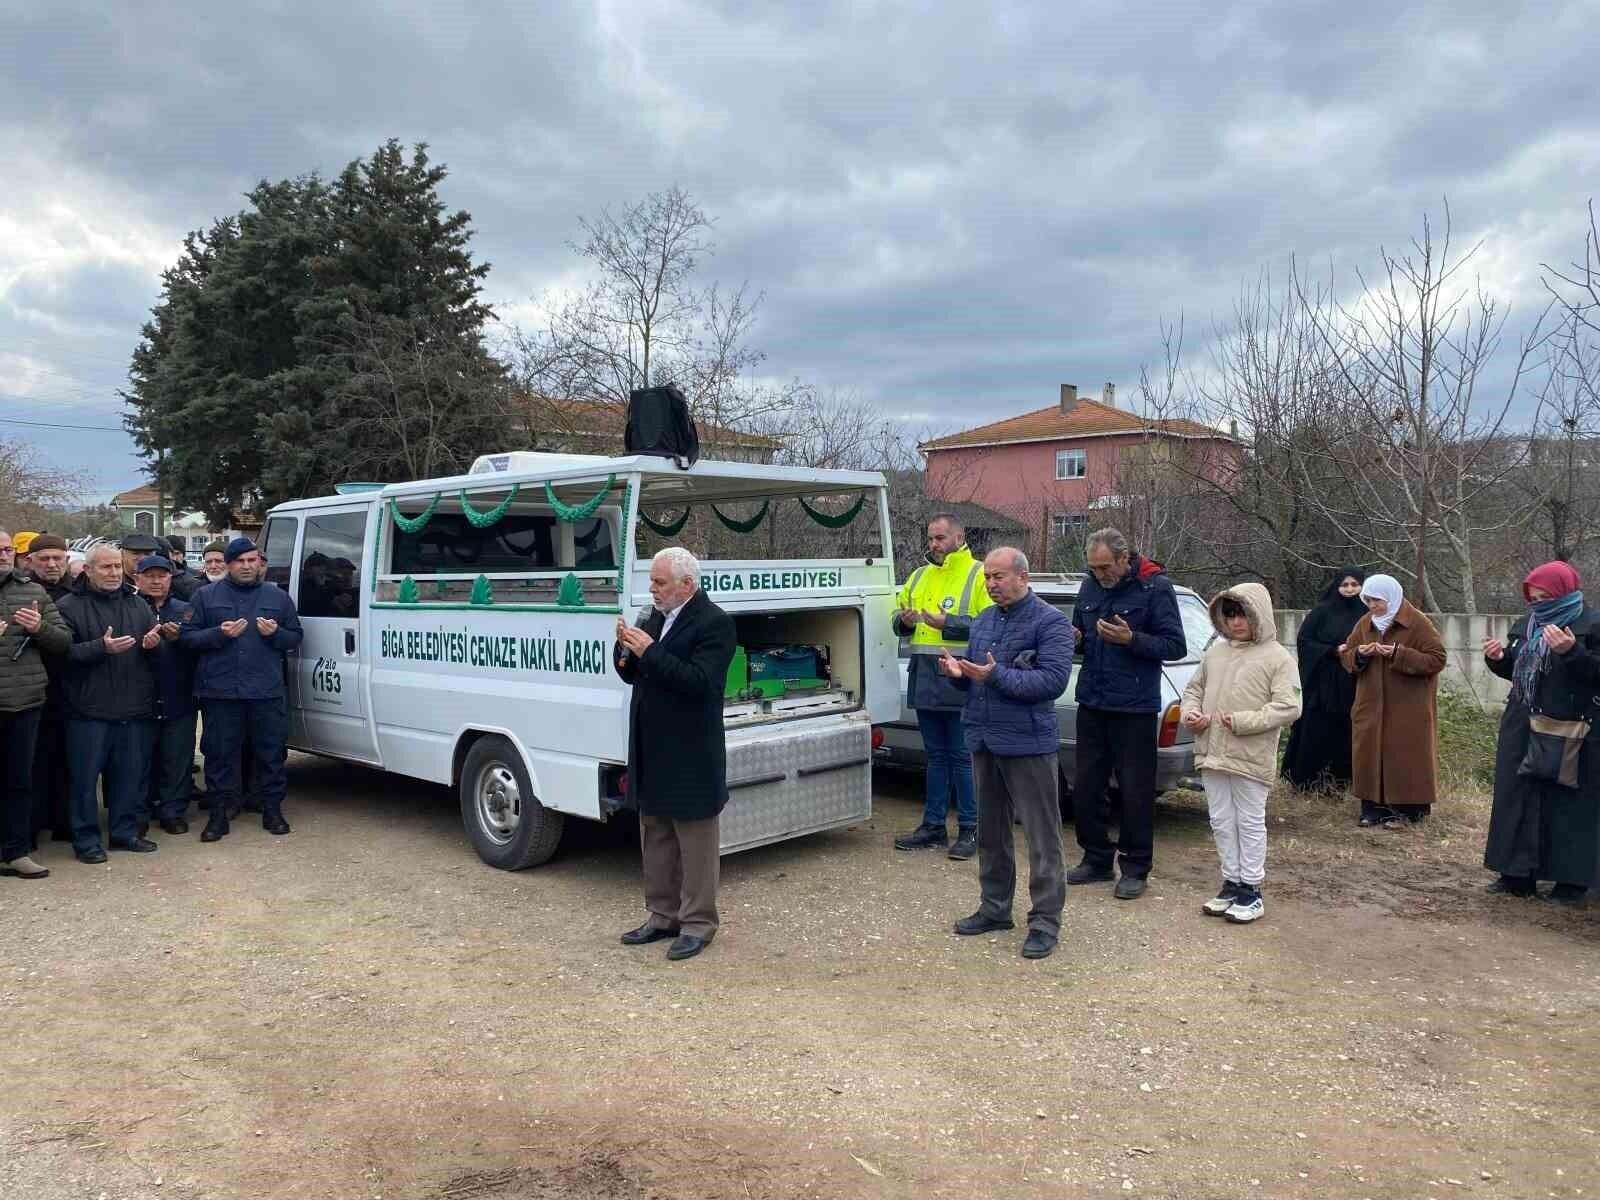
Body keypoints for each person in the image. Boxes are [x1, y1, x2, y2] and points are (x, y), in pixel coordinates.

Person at [937, 548, 1073, 959]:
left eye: (998, 577)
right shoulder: (983, 621)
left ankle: (1045, 921)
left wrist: (994, 675)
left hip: (1028, 743)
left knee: (1041, 837)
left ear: (1022, 576)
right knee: (991, 834)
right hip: (983, 739)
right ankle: (995, 908)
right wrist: (961, 676)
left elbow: (1051, 682)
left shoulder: (1051, 622)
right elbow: (979, 679)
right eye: (987, 578)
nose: (991, 584)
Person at [613, 547, 737, 962]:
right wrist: (625, 652)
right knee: (656, 835)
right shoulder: (651, 616)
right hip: (653, 745)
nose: (653, 588)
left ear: (687, 584)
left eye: (660, 582)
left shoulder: (715, 623)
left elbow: (700, 683)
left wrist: (650, 651)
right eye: (652, 581)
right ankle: (662, 915)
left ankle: (698, 923)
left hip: (691, 750)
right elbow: (635, 674)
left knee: (696, 840)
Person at [1067, 527, 1187, 899]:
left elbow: (1174, 645)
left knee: (1135, 792)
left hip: (1134, 708)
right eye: (1093, 568)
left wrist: (1131, 639)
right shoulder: (1088, 587)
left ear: (1124, 558)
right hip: (1092, 701)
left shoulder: (1155, 587)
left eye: (1105, 567)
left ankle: (1135, 867)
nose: (1099, 575)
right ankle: (1096, 858)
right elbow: (1082, 636)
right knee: (1086, 786)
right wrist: (1076, 639)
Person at [1181, 584, 1302, 924]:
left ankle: (1251, 889)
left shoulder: (1278, 657)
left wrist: (1243, 722)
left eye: (1242, 614)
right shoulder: (1215, 652)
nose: (1235, 622)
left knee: (1248, 822)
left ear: (1258, 615)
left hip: (1250, 754)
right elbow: (1193, 689)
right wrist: (1191, 714)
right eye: (1229, 614)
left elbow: (1289, 706)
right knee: (1221, 820)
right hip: (1212, 750)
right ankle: (1231, 883)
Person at [1481, 561, 1599, 905]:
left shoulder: (1591, 624)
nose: (1538, 603)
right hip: (1523, 725)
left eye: (1545, 596)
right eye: (1532, 597)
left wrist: (1572, 652)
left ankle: (1571, 882)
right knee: (1518, 798)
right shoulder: (1527, 623)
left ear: (1565, 591)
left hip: (1575, 729)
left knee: (1569, 806)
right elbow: (1521, 672)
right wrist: (1500, 659)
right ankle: (1517, 875)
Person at [182, 537, 302, 841]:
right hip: (221, 692)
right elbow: (187, 638)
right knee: (220, 755)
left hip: (266, 690)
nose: (247, 566)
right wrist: (217, 634)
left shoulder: (277, 598)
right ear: (228, 565)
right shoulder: (205, 596)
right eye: (240, 561)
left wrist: (276, 634)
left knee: (271, 754)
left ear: (259, 563)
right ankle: (219, 817)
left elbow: (296, 637)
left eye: (252, 561)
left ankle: (273, 810)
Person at [891, 514, 994, 860]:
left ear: (959, 536)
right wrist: (902, 621)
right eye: (931, 538)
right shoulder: (919, 575)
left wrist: (948, 622)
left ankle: (970, 829)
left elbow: (991, 624)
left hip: (959, 676)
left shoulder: (979, 573)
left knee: (962, 758)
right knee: (935, 757)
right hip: (924, 674)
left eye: (940, 538)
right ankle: (933, 826)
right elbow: (898, 615)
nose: (933, 544)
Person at [57, 544, 162, 862]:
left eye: (117, 566)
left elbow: (151, 650)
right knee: (84, 783)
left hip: (133, 708)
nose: (114, 573)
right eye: (106, 567)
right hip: (88, 711)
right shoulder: (68, 606)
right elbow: (62, 655)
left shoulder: (138, 605)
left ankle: (123, 833)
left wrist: (152, 644)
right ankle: (87, 841)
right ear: (87, 570)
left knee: (129, 778)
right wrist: (100, 648)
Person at [1339, 575, 1446, 828]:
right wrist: (1359, 654)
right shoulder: (1365, 623)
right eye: (1368, 600)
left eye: (1377, 600)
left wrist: (1399, 653)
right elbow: (1347, 658)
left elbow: (1437, 659)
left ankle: (1408, 812)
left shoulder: (1418, 623)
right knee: (1369, 753)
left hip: (1409, 706)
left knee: (1406, 755)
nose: (1372, 605)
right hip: (1371, 704)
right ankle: (1373, 809)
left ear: (1391, 597)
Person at [0, 530, 71, 879]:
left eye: (7, 549)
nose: (2, 554)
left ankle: (16, 851)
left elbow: (62, 640)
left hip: (24, 702)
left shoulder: (31, 590)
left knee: (19, 781)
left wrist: (40, 627)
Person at [1281, 568, 1366, 791]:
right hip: (1322, 685)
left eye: (1354, 585)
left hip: (1354, 684)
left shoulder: (1368, 613)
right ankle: (1308, 783)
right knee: (1316, 730)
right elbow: (1305, 642)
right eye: (1344, 585)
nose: (1349, 590)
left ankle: (1345, 783)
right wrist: (1332, 650)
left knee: (1348, 732)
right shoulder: (1322, 612)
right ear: (1336, 587)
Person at [133, 555, 196, 834]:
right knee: (140, 761)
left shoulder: (186, 610)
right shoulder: (129, 608)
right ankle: (139, 812)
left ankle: (173, 811)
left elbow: (201, 648)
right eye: (150, 576)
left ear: (171, 578)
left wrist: (181, 639)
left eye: (162, 576)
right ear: (137, 578)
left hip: (178, 694)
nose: (156, 581)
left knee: (177, 758)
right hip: (138, 698)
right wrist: (141, 644)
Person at [24, 534, 75, 843]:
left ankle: (63, 819)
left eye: (58, 558)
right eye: (45, 558)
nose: (52, 564)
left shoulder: (79, 592)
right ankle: (31, 822)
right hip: (29, 687)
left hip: (69, 685)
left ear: (67, 560)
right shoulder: (20, 591)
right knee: (31, 760)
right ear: (30, 561)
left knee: (67, 757)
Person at [163, 534, 199, 601]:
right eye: (170, 554)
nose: (173, 558)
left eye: (177, 553)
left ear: (183, 554)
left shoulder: (196, 575)